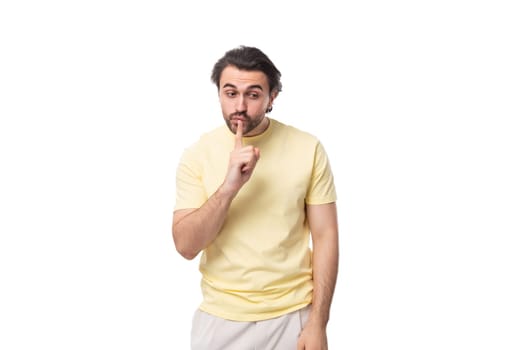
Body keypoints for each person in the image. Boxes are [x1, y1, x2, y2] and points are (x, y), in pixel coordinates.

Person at [172, 45, 339, 350]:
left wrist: (318, 323)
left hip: (293, 317)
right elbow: (185, 246)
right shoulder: (197, 155)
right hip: (220, 320)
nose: (240, 106)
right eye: (230, 93)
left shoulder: (307, 148)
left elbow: (326, 236)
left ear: (271, 97)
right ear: (219, 93)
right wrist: (229, 187)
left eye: (253, 94)